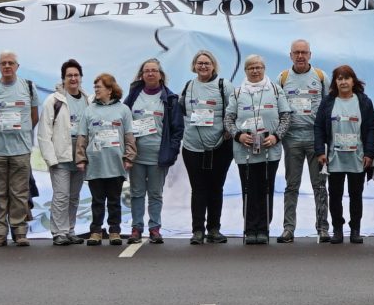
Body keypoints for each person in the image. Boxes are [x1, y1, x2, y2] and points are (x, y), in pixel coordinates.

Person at [225, 55, 291, 245]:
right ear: (245, 71)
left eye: (258, 67)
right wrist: (238, 135)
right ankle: (250, 227)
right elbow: (228, 119)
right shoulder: (237, 93)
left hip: (269, 150)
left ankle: (263, 228)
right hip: (244, 151)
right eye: (251, 68)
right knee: (248, 189)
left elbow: (286, 117)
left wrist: (275, 136)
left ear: (264, 68)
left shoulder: (276, 90)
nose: (255, 71)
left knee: (265, 189)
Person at [0, 51, 40, 247]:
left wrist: (19, 132)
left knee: (20, 192)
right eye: (3, 63)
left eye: (11, 63)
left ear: (17, 66)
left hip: (21, 150)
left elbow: (34, 117)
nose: (7, 66)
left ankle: (20, 231)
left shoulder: (29, 88)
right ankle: (0, 232)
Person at [314, 65, 374, 243]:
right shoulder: (328, 102)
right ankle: (338, 229)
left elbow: (371, 129)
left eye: (346, 78)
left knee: (356, 195)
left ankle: (355, 229)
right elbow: (318, 127)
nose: (343, 82)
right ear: (335, 82)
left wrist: (369, 153)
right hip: (334, 158)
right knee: (335, 195)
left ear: (353, 81)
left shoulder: (364, 102)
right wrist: (320, 151)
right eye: (339, 79)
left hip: (358, 158)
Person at [124, 58, 183, 244]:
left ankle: (155, 228)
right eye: (147, 70)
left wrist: (172, 152)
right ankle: (136, 228)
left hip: (159, 155)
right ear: (141, 75)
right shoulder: (133, 95)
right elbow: (124, 121)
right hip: (136, 155)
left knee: (156, 194)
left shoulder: (170, 98)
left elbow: (177, 128)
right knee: (137, 193)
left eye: (154, 70)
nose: (150, 73)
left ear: (160, 74)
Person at [277, 39, 329, 243]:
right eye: (296, 52)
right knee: (292, 185)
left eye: (304, 52)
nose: (300, 56)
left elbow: (328, 107)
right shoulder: (282, 77)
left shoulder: (320, 76)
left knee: (320, 185)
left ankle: (323, 228)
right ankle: (288, 228)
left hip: (315, 139)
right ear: (290, 55)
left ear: (310, 55)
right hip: (292, 138)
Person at [180, 50, 234, 245]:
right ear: (194, 66)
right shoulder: (188, 86)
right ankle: (197, 230)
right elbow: (180, 111)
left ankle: (214, 229)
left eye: (207, 63)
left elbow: (233, 110)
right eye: (199, 63)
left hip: (219, 146)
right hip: (192, 147)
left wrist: (229, 129)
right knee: (198, 189)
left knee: (215, 188)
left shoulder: (223, 86)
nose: (203, 66)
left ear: (213, 66)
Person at [76, 73, 135, 246]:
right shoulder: (89, 110)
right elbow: (82, 136)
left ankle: (115, 231)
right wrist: (80, 159)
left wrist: (129, 157)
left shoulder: (123, 110)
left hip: (116, 163)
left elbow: (129, 136)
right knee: (97, 201)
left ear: (110, 89)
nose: (96, 90)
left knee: (115, 201)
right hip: (95, 164)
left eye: (99, 87)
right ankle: (95, 232)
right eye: (95, 87)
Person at [37, 59, 91, 246]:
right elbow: (44, 133)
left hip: (80, 156)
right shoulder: (53, 101)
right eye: (69, 75)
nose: (73, 78)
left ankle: (70, 230)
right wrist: (50, 159)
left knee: (74, 197)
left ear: (81, 77)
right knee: (61, 196)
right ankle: (58, 232)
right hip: (60, 157)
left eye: (76, 75)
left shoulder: (88, 100)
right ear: (63, 79)